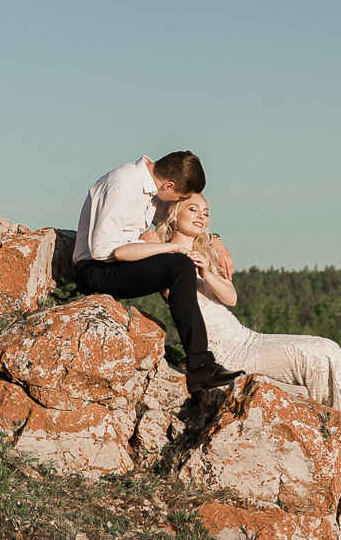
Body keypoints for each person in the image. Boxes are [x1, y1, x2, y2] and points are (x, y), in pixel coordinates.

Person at [156, 192, 341, 463]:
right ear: (173, 215)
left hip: (246, 338)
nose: (202, 216)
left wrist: (208, 272)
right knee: (320, 353)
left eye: (206, 212)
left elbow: (232, 298)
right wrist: (161, 244)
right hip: (221, 354)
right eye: (193, 209)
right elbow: (147, 250)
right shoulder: (162, 255)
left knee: (324, 349)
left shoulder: (204, 254)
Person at [72, 152, 242, 393]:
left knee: (179, 263)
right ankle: (201, 365)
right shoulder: (124, 185)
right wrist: (164, 247)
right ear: (169, 185)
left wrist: (215, 241)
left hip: (119, 263)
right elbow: (103, 251)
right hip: (97, 270)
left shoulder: (151, 187)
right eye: (179, 196)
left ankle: (202, 365)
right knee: (179, 263)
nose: (176, 201)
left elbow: (178, 218)